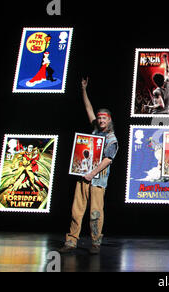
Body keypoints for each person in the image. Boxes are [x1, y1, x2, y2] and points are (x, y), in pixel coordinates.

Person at [59, 77, 118, 255]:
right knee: (76, 211)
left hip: (97, 181)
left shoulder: (111, 139)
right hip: (83, 177)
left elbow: (108, 159)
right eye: (99, 118)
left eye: (104, 118)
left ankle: (95, 242)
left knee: (95, 212)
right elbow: (88, 108)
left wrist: (92, 174)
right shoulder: (94, 130)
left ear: (109, 120)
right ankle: (71, 242)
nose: (100, 120)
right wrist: (84, 89)